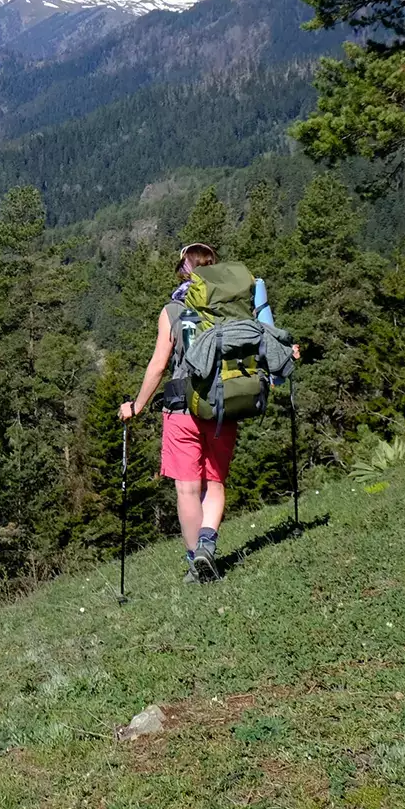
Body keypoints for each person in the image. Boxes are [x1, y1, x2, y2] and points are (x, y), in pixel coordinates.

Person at [119, 243, 292, 584]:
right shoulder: (237, 308)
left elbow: (158, 366)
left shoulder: (172, 311)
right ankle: (207, 545)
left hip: (182, 407)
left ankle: (194, 564)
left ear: (185, 270)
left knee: (187, 489)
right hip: (225, 403)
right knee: (214, 483)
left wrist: (136, 406)